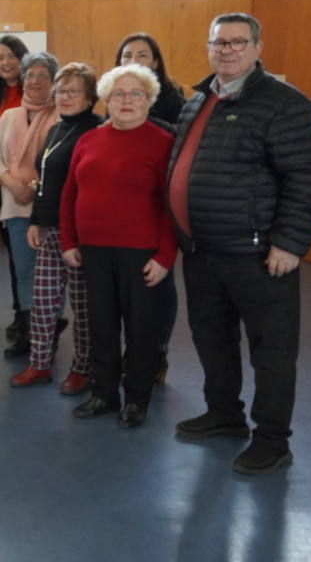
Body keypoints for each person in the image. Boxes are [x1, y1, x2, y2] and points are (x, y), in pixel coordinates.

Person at [168, 12, 311, 476]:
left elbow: (309, 178)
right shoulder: (199, 99)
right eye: (219, 43)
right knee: (211, 338)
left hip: (258, 255)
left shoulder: (284, 104)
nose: (227, 50)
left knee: (271, 351)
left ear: (258, 48)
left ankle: (273, 440)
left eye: (238, 42)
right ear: (208, 48)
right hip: (202, 251)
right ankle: (224, 414)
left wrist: (289, 243)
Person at [59, 64, 177, 430]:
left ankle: (137, 399)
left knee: (141, 331)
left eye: (135, 94)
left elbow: (172, 206)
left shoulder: (163, 142)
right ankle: (104, 393)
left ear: (148, 100)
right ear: (106, 101)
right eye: (118, 94)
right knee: (101, 327)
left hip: (142, 254)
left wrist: (165, 256)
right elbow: (69, 194)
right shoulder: (88, 140)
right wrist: (68, 240)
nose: (127, 101)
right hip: (93, 250)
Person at [10, 63, 102, 394]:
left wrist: (71, 233)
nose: (65, 97)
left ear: (90, 96)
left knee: (82, 305)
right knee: (43, 302)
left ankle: (83, 368)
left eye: (73, 91)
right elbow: (45, 182)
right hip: (48, 230)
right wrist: (35, 220)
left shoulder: (97, 131)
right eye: (61, 91)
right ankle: (39, 363)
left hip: (77, 235)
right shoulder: (56, 129)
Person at [115, 31, 186, 382]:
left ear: (156, 61)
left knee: (161, 282)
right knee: (129, 291)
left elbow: (179, 140)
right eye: (127, 55)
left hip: (158, 205)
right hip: (124, 208)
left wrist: (140, 121)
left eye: (142, 55)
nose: (134, 60)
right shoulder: (116, 93)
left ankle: (157, 353)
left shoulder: (172, 99)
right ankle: (134, 352)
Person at [0, 50, 58, 359]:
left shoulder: (60, 115)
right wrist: (12, 183)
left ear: (54, 81)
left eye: (43, 75)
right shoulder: (9, 116)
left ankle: (49, 333)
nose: (35, 81)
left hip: (48, 207)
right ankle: (30, 332)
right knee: (25, 271)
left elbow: (59, 161)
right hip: (14, 204)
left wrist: (31, 188)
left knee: (52, 275)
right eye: (30, 75)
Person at [0, 35, 30, 334]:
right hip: (0, 185)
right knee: (15, 254)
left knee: (29, 255)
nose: (5, 62)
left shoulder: (36, 91)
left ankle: (36, 315)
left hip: (30, 187)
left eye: (11, 55)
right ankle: (21, 312)